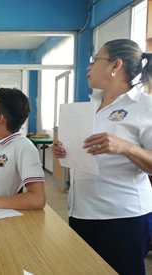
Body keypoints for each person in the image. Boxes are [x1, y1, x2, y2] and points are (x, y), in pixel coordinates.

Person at [52, 39, 152, 275]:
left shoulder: (145, 107)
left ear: (115, 65)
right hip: (80, 212)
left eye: (95, 60)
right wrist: (64, 150)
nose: (88, 66)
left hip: (123, 217)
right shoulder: (90, 105)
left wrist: (126, 147)